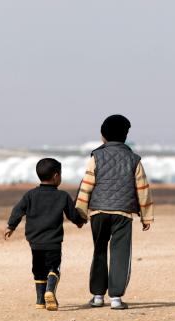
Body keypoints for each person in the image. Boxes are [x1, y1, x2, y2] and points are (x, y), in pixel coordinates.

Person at [75, 114, 154, 310]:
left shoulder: (96, 156)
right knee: (120, 253)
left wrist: (81, 213)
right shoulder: (134, 159)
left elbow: (86, 185)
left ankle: (97, 296)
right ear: (125, 136)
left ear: (103, 135)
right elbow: (142, 188)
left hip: (98, 212)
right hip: (123, 214)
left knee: (99, 251)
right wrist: (146, 216)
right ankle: (116, 298)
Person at [4, 158, 86, 311]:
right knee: (54, 268)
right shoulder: (62, 196)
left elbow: (18, 210)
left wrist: (11, 226)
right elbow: (72, 215)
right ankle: (50, 290)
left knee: (38, 269)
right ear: (56, 176)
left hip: (35, 241)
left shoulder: (30, 195)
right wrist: (80, 221)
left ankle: (40, 301)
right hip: (53, 242)